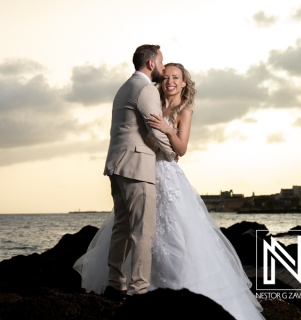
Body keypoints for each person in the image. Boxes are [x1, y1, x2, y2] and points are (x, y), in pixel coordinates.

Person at [74, 62, 265, 320]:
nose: (170, 82)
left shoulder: (184, 111)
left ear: (184, 83)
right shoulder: (151, 101)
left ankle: (173, 288)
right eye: (166, 77)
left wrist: (166, 129)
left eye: (176, 77)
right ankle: (130, 284)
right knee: (134, 228)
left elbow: (181, 149)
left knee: (172, 231)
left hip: (168, 175)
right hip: (144, 170)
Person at [99, 44, 177, 299]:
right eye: (162, 62)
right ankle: (138, 289)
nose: (164, 68)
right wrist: (173, 153)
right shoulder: (145, 89)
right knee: (144, 230)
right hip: (136, 166)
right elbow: (155, 129)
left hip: (117, 163)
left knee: (122, 227)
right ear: (151, 64)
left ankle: (115, 284)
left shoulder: (124, 87)